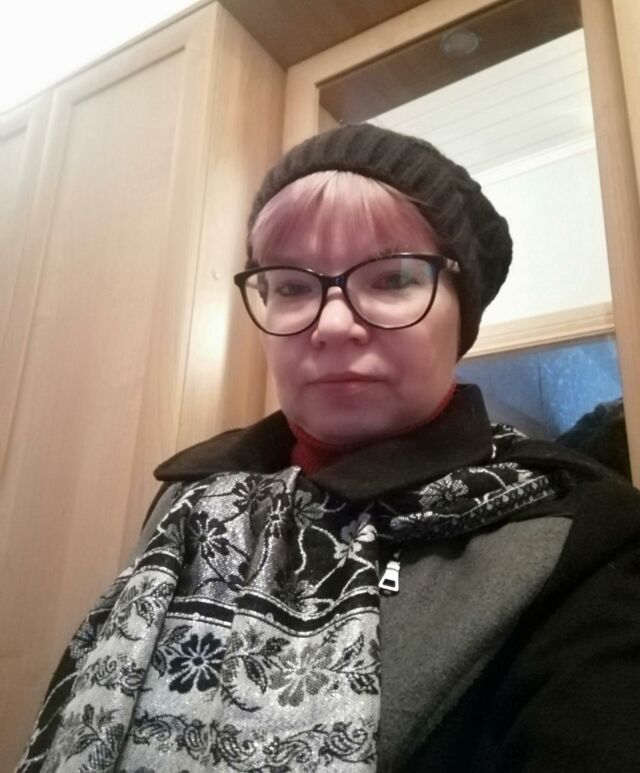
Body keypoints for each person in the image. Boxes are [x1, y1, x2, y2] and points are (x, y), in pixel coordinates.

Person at [18, 124, 640, 772]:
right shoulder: (188, 499)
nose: (334, 323)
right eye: (291, 286)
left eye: (392, 278)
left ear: (462, 311)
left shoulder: (585, 538)